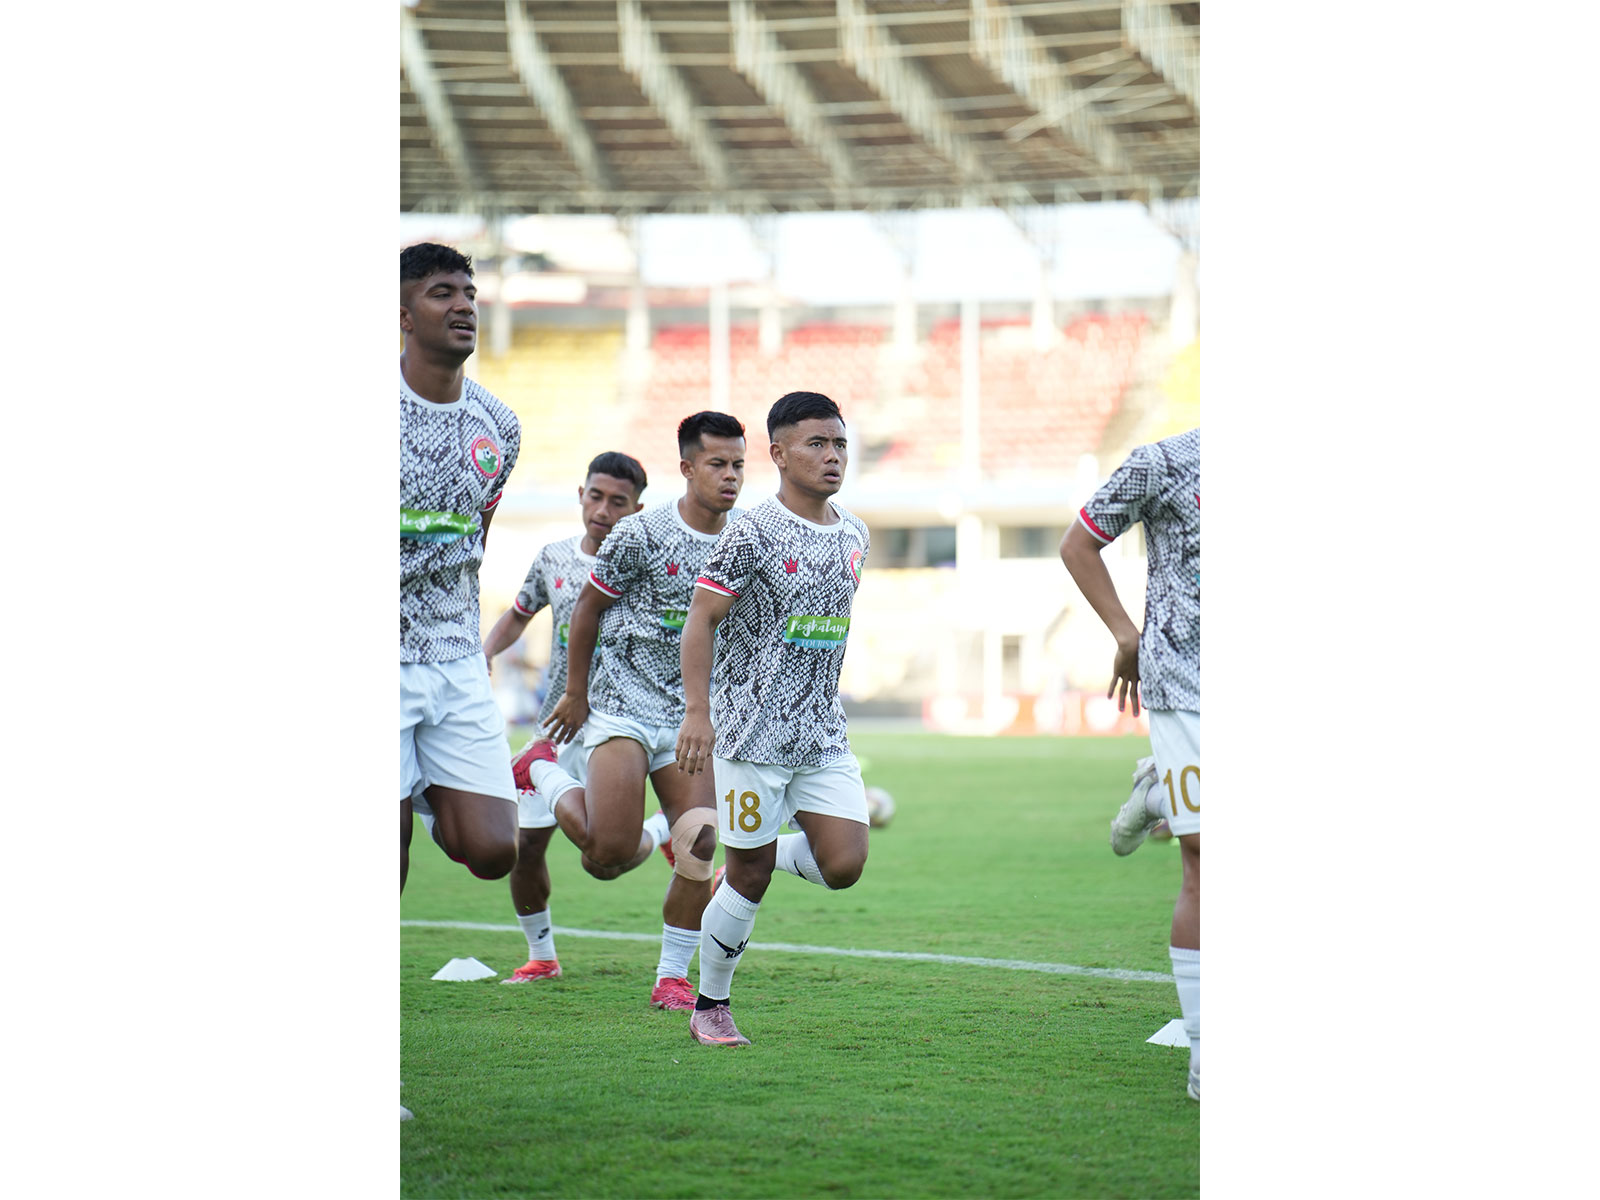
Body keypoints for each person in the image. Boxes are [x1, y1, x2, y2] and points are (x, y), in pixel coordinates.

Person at [515, 412, 748, 1011]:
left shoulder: (746, 540)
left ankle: (671, 976)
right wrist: (576, 692)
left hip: (689, 717)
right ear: (688, 467)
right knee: (606, 857)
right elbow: (587, 611)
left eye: (739, 465)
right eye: (717, 464)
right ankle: (540, 768)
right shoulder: (640, 536)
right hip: (620, 706)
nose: (730, 476)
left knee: (699, 846)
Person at [674, 391, 872, 1048]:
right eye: (817, 444)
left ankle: (744, 849)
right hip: (750, 737)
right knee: (750, 878)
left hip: (821, 735)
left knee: (844, 865)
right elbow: (700, 619)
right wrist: (698, 712)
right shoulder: (750, 532)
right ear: (779, 453)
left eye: (840, 443)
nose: (832, 456)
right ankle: (711, 1005)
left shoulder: (854, 533)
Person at [399, 242, 521, 1122]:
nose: (463, 305)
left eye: (470, 293)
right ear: (403, 314)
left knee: (493, 851)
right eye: (442, 292)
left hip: (453, 660)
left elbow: (469, 536)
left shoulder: (499, 427)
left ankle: (429, 789)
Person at [482, 451, 676, 982]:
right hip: (559, 722)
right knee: (524, 849)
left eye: (618, 502)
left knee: (602, 862)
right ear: (581, 495)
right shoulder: (553, 558)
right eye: (596, 496)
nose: (603, 510)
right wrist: (484, 654)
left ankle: (658, 832)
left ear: (637, 509)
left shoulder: (648, 565)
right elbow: (518, 616)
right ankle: (542, 957)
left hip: (622, 719)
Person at [1059, 427, 1200, 1102]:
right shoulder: (1164, 463)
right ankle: (1207, 1058)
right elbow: (1079, 542)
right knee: (1207, 860)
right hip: (1185, 684)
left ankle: (1160, 794)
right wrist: (1126, 633)